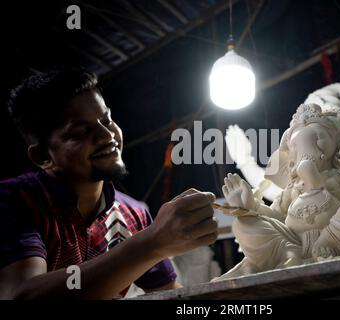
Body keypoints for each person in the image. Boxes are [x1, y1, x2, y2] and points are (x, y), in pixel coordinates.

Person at [0, 69, 218, 299]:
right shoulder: (14, 201)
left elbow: (168, 293)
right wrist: (151, 243)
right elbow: (21, 295)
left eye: (107, 120)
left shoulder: (135, 215)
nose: (107, 136)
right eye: (81, 132)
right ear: (43, 156)